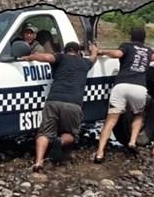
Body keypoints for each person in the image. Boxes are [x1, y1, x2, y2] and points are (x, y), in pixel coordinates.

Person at [21, 42, 99, 172]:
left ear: (65, 50)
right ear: (78, 52)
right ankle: (60, 141)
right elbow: (93, 58)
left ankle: (38, 162)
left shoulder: (61, 57)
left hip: (54, 100)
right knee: (71, 134)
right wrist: (94, 50)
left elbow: (46, 58)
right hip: (73, 104)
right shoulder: (85, 63)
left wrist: (30, 57)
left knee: (44, 132)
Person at [93, 27, 153, 162]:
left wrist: (101, 52)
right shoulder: (149, 51)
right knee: (138, 115)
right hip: (139, 88)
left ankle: (100, 152)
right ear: (144, 39)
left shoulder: (127, 46)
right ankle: (132, 142)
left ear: (131, 37)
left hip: (121, 86)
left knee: (110, 120)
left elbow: (117, 54)